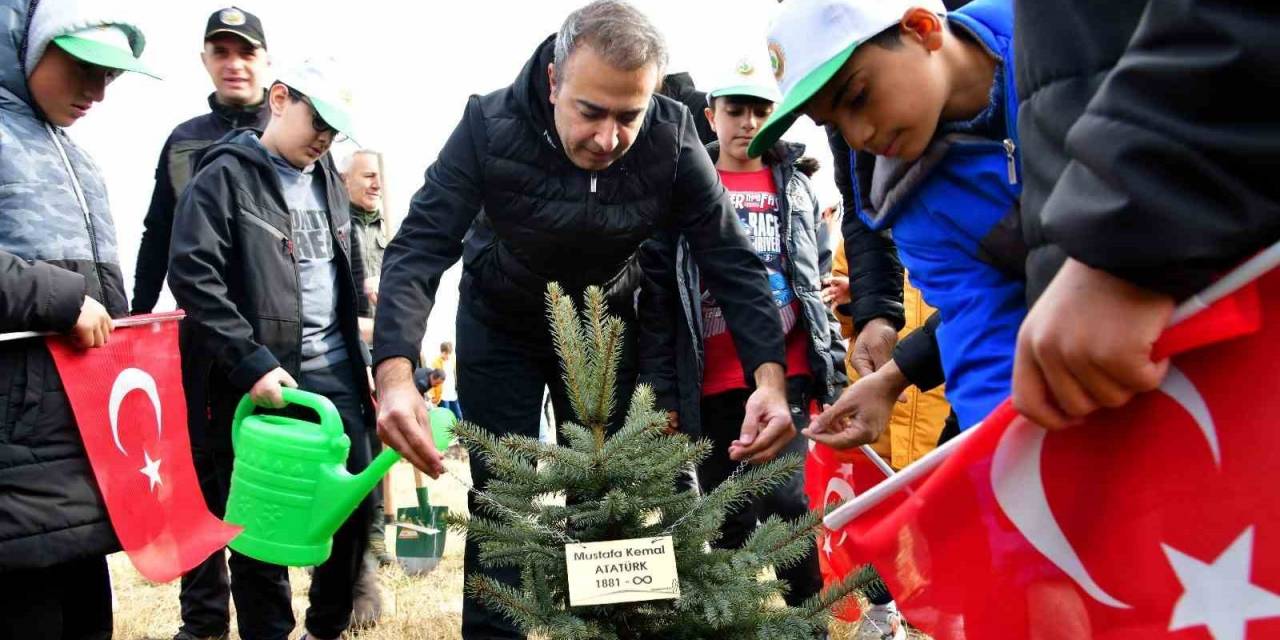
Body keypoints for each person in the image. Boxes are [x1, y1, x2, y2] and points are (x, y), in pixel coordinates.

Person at [371, 2, 795, 636]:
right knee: (503, 504)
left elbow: (731, 259)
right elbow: (421, 244)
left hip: (603, 329)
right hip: (500, 325)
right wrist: (396, 371)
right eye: (589, 112)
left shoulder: (673, 137)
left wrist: (770, 379)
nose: (607, 139)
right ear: (552, 81)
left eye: (630, 115)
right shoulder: (487, 124)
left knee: (604, 502)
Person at [751, 0, 1025, 442]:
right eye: (836, 124)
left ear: (921, 28)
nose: (859, 136)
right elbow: (981, 330)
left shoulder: (1065, 37)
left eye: (857, 98)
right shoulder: (910, 200)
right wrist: (1001, 460)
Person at [167, 58, 372, 640]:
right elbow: (193, 275)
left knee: (353, 508)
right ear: (280, 98)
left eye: (335, 131)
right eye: (318, 122)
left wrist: (366, 339)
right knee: (262, 524)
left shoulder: (329, 173)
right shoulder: (224, 175)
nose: (324, 140)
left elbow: (344, 265)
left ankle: (326, 629)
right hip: (261, 380)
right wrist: (251, 362)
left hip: (338, 373)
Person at [636, 47, 846, 613]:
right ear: (711, 114)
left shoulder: (796, 187)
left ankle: (807, 618)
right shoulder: (683, 189)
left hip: (786, 371)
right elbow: (658, 295)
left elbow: (814, 275)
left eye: (760, 110)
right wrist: (664, 390)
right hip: (710, 375)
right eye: (735, 109)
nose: (748, 123)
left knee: (784, 499)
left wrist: (833, 358)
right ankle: (739, 621)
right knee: (726, 507)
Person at [1010, 0, 1280, 429]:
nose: (863, 136)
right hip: (1113, 344)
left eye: (861, 94)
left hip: (1197, 283)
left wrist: (1127, 233)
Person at [0, 2, 158, 637]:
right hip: (13, 467)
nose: (97, 91)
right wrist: (57, 298)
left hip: (82, 453)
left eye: (112, 75)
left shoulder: (82, 160)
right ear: (33, 46)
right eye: (83, 66)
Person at [132, 6, 271, 315]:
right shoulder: (182, 140)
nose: (234, 64)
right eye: (221, 52)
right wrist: (139, 312)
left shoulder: (290, 132)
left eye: (247, 53)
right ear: (204, 59)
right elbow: (158, 231)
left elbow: (337, 237)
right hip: (206, 322)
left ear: (267, 60)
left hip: (286, 325)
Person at [431, 341, 461, 420]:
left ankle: (461, 432)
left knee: (459, 416)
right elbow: (432, 380)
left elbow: (455, 375)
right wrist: (433, 396)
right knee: (446, 418)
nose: (448, 356)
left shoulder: (452, 361)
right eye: (446, 353)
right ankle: (449, 432)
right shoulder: (436, 362)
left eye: (449, 353)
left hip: (453, 394)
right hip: (443, 396)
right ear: (442, 352)